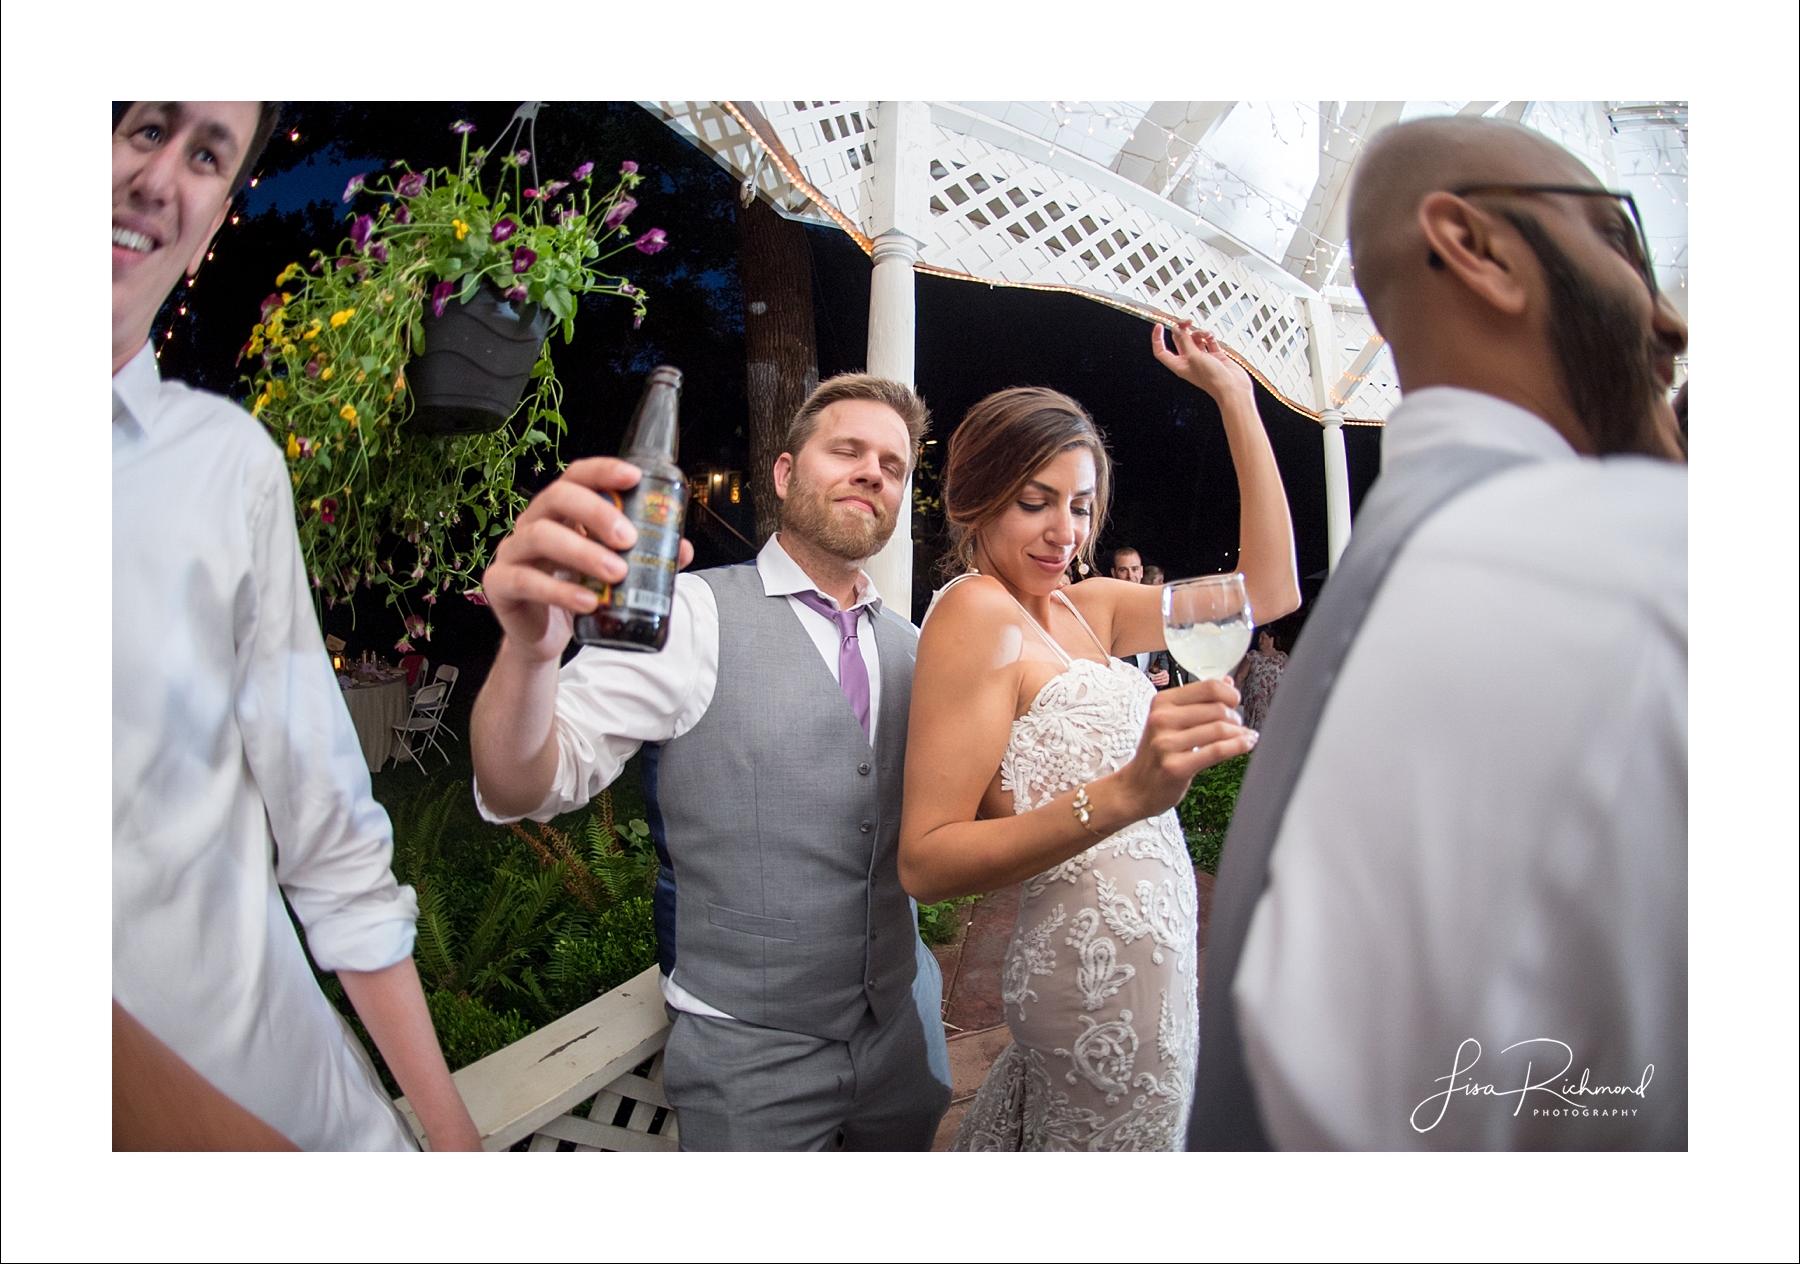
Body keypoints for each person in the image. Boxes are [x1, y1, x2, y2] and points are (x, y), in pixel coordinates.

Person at [1191, 116, 1689, 1151]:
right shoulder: (1631, 563)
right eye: (1623, 240)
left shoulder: (1412, 559)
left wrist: (1237, 397)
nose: (1672, 318)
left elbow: (1262, 592)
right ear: (1479, 247)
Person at [112, 101, 480, 1150]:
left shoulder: (223, 464)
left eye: (206, 155)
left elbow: (326, 829)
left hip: (306, 1117)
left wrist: (447, 1136)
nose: (161, 177)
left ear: (219, 211)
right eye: (145, 129)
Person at [469, 373, 953, 1151]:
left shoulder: (917, 647)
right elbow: (523, 780)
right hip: (750, 1060)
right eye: (848, 450)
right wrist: (529, 655)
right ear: (786, 473)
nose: (873, 471)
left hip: (903, 1035)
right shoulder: (692, 615)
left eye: (893, 466)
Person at [899, 326, 1301, 1151]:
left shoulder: (1089, 607)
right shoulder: (976, 612)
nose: (1064, 532)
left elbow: (1268, 590)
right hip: (1090, 985)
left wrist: (1237, 400)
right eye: (1035, 501)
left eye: (1080, 506)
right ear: (974, 497)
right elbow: (926, 859)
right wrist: (1125, 794)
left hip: (1156, 963)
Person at [1110, 548, 1171, 688]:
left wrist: (1163, 672)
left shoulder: (1155, 607)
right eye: (1123, 570)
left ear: (1141, 571)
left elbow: (1159, 653)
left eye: (1135, 569)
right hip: (1120, 693)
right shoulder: (1107, 608)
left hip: (1148, 697)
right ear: (1114, 573)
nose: (1130, 575)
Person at [1231, 626, 1291, 731]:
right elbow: (1240, 676)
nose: (1260, 641)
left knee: (1277, 698)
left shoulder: (1282, 657)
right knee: (1259, 697)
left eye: (1263, 637)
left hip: (1275, 693)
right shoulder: (1253, 655)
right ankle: (1258, 733)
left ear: (1271, 639)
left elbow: (1290, 677)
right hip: (1256, 693)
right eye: (1259, 638)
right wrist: (1232, 696)